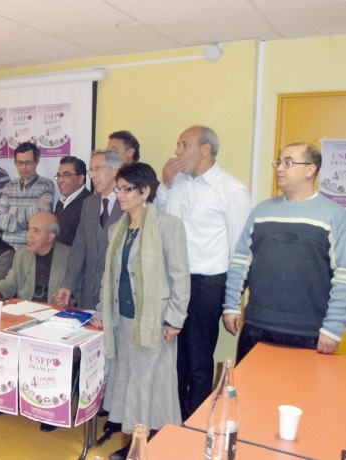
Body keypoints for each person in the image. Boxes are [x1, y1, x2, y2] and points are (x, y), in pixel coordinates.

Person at [92, 162, 190, 460]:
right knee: (129, 383)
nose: (120, 194)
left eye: (127, 189)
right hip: (122, 319)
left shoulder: (167, 225)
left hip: (154, 320)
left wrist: (175, 318)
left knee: (149, 385)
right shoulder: (117, 229)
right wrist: (101, 311)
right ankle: (135, 442)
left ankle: (146, 445)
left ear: (146, 191)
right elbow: (110, 277)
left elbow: (180, 276)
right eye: (118, 188)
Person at [155, 125, 252, 421]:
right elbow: (158, 221)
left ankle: (195, 426)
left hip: (207, 283)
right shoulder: (177, 183)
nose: (177, 151)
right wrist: (165, 185)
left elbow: (241, 250)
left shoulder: (231, 190)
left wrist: (232, 302)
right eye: (178, 144)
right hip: (173, 280)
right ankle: (171, 422)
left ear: (206, 149)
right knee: (172, 359)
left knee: (197, 361)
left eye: (184, 145)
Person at [223, 142, 346, 363]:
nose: (280, 168)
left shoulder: (334, 216)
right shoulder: (261, 211)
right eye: (278, 162)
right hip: (257, 327)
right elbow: (241, 262)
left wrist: (333, 328)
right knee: (250, 385)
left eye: (288, 163)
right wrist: (231, 305)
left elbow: (343, 276)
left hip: (310, 333)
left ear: (310, 170)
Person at [54, 149, 125, 310]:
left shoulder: (128, 204)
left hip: (117, 294)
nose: (92, 175)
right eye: (91, 170)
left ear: (116, 171)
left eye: (97, 168)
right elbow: (79, 247)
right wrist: (67, 284)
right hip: (89, 292)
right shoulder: (90, 203)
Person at [0, 212, 69, 304]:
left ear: (50, 236)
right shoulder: (22, 255)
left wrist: (69, 300)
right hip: (26, 308)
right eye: (28, 229)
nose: (28, 236)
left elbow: (77, 293)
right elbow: (10, 283)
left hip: (54, 309)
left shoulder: (68, 256)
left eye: (35, 231)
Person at [0, 142, 55, 248]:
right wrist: (33, 209)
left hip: (31, 249)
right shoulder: (9, 186)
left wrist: (12, 211)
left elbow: (42, 217)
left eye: (28, 162)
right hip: (6, 249)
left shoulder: (46, 185)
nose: (23, 167)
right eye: (19, 163)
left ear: (37, 161)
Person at [53, 156, 91, 246]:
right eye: (59, 176)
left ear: (80, 179)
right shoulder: (61, 202)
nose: (60, 180)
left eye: (66, 175)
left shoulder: (89, 203)